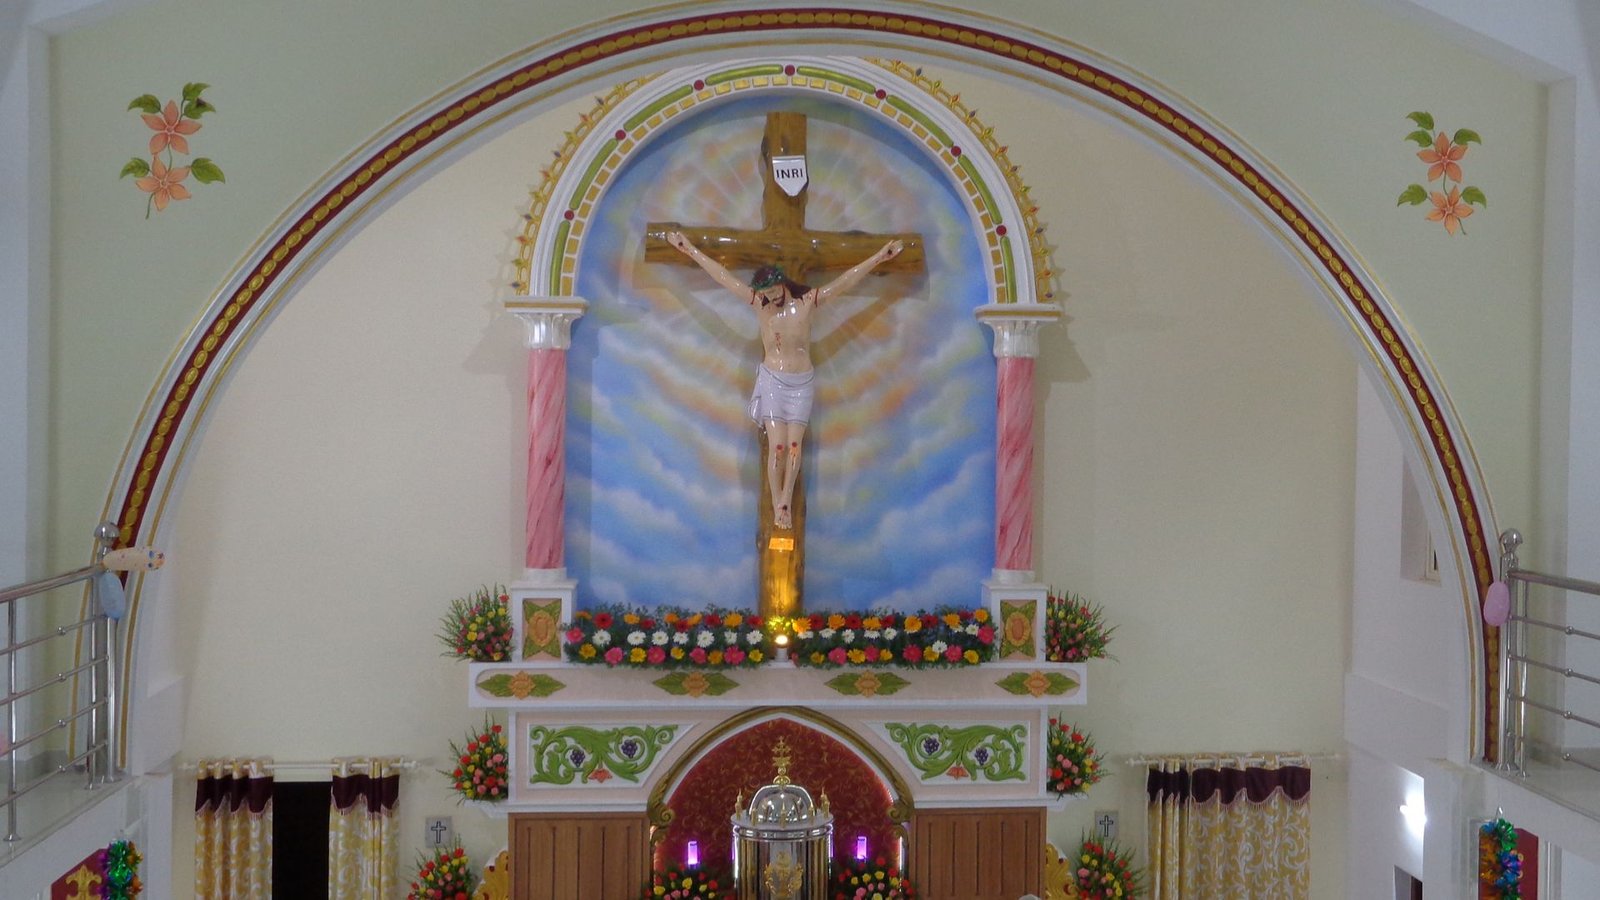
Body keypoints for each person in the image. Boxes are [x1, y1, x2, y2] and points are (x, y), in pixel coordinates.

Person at [665, 231, 905, 529]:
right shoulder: (759, 304)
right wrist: (689, 249)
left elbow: (845, 282)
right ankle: (779, 503)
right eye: (765, 293)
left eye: (772, 291)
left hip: (801, 382)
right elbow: (724, 278)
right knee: (777, 445)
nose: (770, 297)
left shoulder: (807, 302)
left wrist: (879, 257)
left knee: (793, 445)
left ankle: (785, 502)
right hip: (773, 379)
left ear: (782, 282)